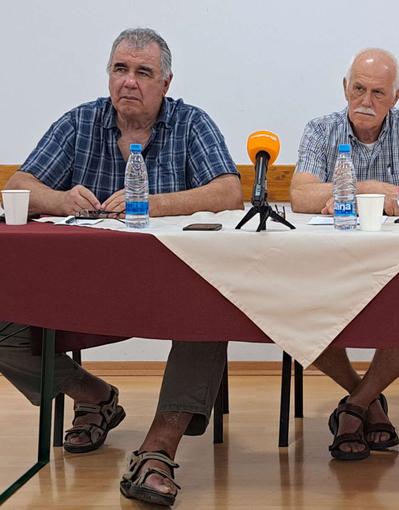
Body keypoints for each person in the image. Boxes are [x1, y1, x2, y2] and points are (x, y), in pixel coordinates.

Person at [1, 28, 242, 506]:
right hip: (84, 285)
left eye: (143, 72)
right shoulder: (79, 123)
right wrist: (60, 196)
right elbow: (21, 183)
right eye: (120, 69)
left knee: (215, 304)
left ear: (166, 83)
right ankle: (93, 397)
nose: (129, 82)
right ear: (109, 74)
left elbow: (228, 192)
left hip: (171, 284)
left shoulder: (192, 124)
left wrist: (153, 202)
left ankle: (157, 450)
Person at [290, 48, 399, 460]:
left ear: (396, 96)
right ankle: (368, 401)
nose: (366, 101)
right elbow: (301, 195)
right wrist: (370, 191)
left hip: (398, 267)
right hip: (328, 265)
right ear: (345, 87)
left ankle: (355, 406)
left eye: (379, 92)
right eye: (358, 88)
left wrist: (347, 192)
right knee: (294, 314)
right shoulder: (320, 129)